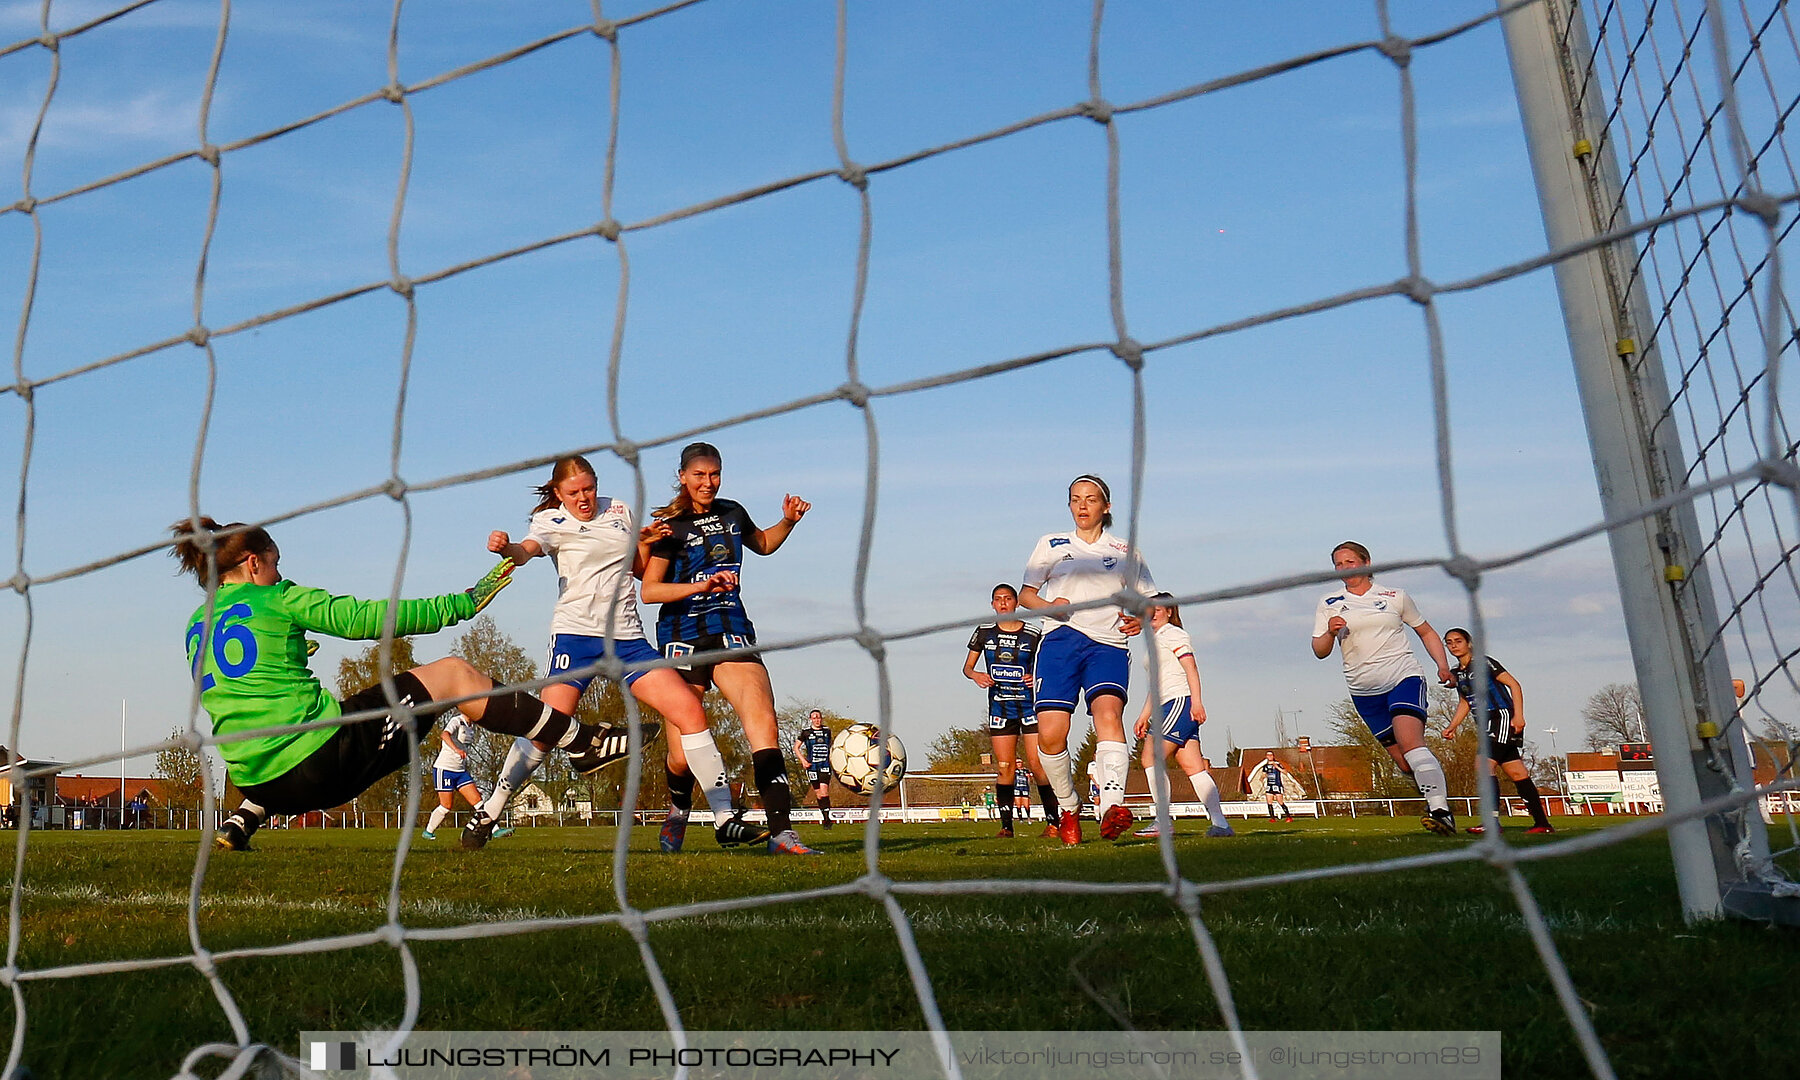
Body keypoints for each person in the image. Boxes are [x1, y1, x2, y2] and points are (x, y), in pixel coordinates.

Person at [172, 516, 633, 853]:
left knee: (301, 722)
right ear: (254, 563)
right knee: (452, 674)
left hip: (254, 779)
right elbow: (366, 618)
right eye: (275, 562)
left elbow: (241, 686)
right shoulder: (278, 595)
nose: (278, 571)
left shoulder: (197, 623)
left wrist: (291, 652)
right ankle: (581, 742)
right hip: (320, 764)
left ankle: (241, 821)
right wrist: (461, 604)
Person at [478, 455, 758, 854]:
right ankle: (490, 811)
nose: (584, 498)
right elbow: (525, 552)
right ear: (558, 493)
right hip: (577, 638)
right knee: (543, 733)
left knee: (690, 711)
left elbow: (641, 570)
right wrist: (506, 547)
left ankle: (724, 819)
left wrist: (645, 541)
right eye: (574, 492)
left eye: (589, 488)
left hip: (627, 639)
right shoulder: (549, 522)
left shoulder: (620, 510)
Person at [643, 442, 819, 855]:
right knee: (681, 756)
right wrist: (701, 585)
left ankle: (782, 835)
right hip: (682, 635)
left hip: (731, 628)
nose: (708, 482)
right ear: (683, 477)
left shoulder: (732, 512)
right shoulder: (671, 525)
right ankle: (678, 810)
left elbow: (763, 543)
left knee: (764, 723)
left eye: (715, 474)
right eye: (700, 475)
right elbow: (650, 590)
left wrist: (788, 522)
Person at [1019, 475, 1154, 844]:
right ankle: (1069, 807)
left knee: (1108, 715)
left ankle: (1111, 807)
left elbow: (1149, 602)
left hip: (1108, 645)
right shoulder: (1051, 544)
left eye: (1091, 499)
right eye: (1075, 499)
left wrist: (1137, 619)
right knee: (1051, 734)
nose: (1082, 506)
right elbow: (1026, 595)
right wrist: (1050, 606)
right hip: (1059, 641)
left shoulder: (1126, 551)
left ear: (1105, 507)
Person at [1311, 540, 1458, 835]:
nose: (1344, 568)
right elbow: (1319, 650)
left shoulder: (1394, 596)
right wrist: (1329, 632)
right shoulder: (1329, 603)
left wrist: (1442, 665)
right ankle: (1434, 799)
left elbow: (1426, 631)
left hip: (1403, 677)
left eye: (1349, 562)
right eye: (1338, 564)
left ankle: (1442, 812)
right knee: (1404, 764)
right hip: (1364, 691)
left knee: (1411, 742)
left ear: (1366, 563)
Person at [1131, 596, 1231, 838]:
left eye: (1157, 610)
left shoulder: (1174, 634)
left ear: (1169, 611)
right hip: (1166, 704)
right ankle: (1221, 825)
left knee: (1151, 758)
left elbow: (1191, 668)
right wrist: (1144, 715)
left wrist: (1196, 702)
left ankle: (1162, 821)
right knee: (1193, 767)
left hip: (1179, 702)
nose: (1152, 614)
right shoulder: (1155, 640)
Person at [963, 583, 1057, 838]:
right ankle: (1006, 827)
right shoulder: (983, 633)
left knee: (1038, 764)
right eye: (997, 599)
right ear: (992, 604)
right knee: (1005, 766)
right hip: (1000, 708)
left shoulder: (1033, 634)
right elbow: (968, 668)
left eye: (1007, 598)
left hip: (1029, 707)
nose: (1003, 603)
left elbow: (1048, 666)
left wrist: (1034, 675)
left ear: (1016, 602)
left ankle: (1053, 823)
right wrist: (976, 676)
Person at [1442, 628, 1553, 834]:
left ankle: (1491, 822)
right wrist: (1452, 726)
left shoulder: (1484, 663)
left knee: (1483, 765)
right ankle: (1542, 824)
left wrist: (1518, 715)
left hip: (1500, 716)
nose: (1454, 645)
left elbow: (1514, 685)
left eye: (1458, 641)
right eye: (1449, 642)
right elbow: (1465, 701)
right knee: (1517, 772)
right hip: (1485, 724)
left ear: (1469, 643)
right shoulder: (1458, 673)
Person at [421, 709, 502, 841]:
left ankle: (496, 829)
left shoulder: (472, 727)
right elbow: (444, 734)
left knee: (478, 802)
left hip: (460, 771)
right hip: (445, 769)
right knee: (446, 806)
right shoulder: (456, 721)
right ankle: (428, 831)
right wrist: (456, 749)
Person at [793, 709, 836, 829]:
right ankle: (824, 817)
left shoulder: (827, 731)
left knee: (824, 791)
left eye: (818, 717)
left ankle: (828, 819)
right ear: (810, 719)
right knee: (818, 793)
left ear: (821, 718)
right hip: (812, 766)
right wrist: (803, 761)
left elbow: (831, 746)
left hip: (824, 765)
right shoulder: (806, 733)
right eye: (814, 718)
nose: (817, 720)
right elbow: (796, 747)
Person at [1248, 751, 1297, 822]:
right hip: (1269, 785)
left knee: (1280, 802)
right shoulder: (1265, 766)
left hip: (1277, 785)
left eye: (1271, 755)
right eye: (1268, 755)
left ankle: (1289, 817)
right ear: (1266, 756)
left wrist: (1277, 767)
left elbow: (1285, 772)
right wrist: (1262, 777)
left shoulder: (1277, 764)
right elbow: (1264, 774)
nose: (1269, 756)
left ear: (1273, 756)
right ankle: (1272, 818)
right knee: (1269, 802)